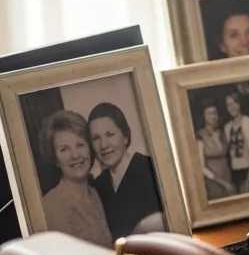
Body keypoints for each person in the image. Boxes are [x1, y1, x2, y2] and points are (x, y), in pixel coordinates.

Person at [37, 110, 113, 247]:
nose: (75, 155)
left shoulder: (96, 194)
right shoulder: (49, 207)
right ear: (55, 160)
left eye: (80, 144)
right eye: (64, 149)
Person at [88, 101, 163, 239]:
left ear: (125, 136)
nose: (103, 145)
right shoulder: (98, 186)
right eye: (96, 138)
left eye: (110, 134)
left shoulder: (152, 169)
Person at [222, 91, 249, 193]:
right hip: (235, 172)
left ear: (239, 104)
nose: (232, 107)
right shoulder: (227, 128)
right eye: (229, 105)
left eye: (234, 103)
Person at [196, 100, 236, 200]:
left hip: (227, 176)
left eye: (214, 113)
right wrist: (222, 182)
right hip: (212, 181)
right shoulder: (200, 136)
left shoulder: (223, 133)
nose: (212, 116)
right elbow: (201, 167)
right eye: (208, 113)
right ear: (204, 116)